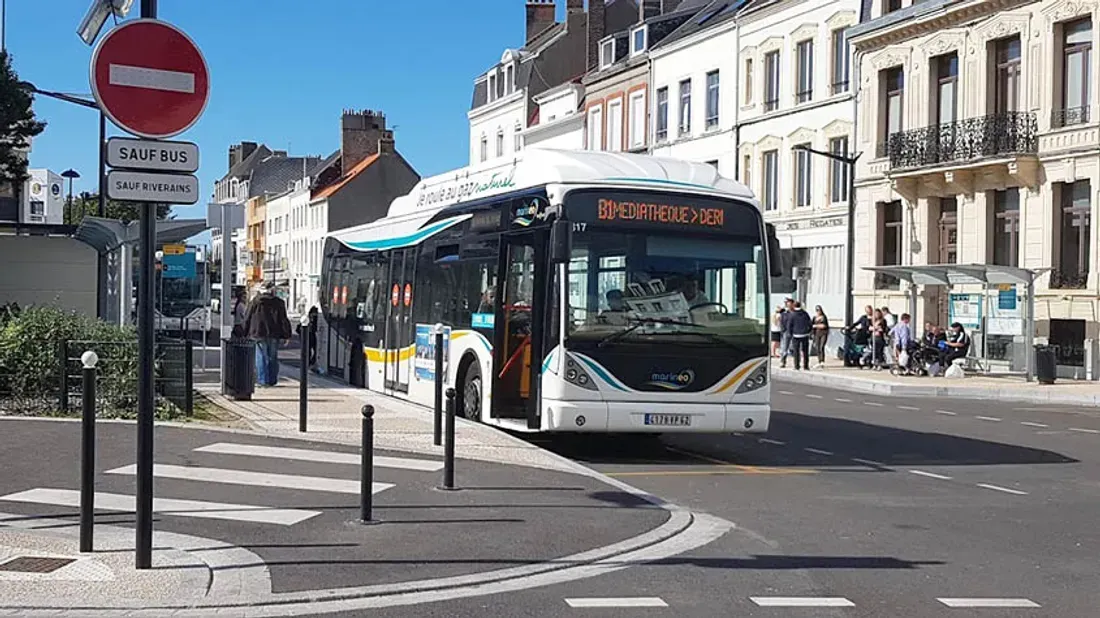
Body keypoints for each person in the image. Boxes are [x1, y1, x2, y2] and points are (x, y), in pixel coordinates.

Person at [243, 280, 293, 387]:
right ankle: (272, 380)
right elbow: (283, 320)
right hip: (274, 333)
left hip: (258, 332)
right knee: (272, 357)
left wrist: (244, 332)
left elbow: (247, 317)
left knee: (261, 356)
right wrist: (287, 335)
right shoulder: (279, 303)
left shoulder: (255, 302)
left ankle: (263, 380)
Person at [788, 301, 813, 370]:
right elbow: (810, 324)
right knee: (805, 351)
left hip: (796, 335)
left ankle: (796, 366)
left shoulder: (792, 315)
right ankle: (806, 366)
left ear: (794, 306)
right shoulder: (805, 314)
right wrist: (808, 331)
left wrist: (790, 333)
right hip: (805, 334)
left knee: (796, 351)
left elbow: (789, 325)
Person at [779, 297, 795, 367]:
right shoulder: (784, 313)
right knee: (784, 348)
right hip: (786, 332)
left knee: (795, 348)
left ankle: (796, 363)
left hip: (795, 332)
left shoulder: (795, 313)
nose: (787, 304)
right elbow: (782, 322)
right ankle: (783, 361)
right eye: (786, 303)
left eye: (788, 303)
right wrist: (783, 330)